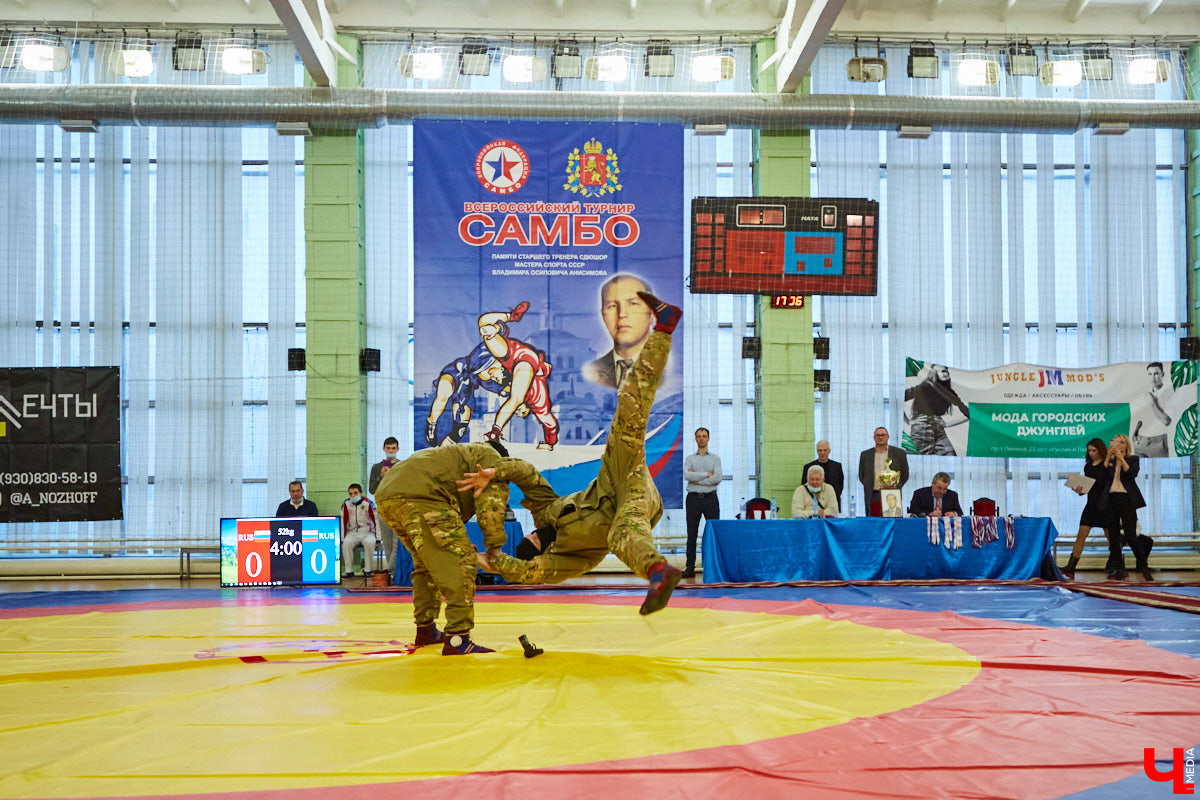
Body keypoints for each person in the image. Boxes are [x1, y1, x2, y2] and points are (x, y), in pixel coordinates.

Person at [476, 291, 685, 614]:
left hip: (616, 478)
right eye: (534, 542)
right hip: (630, 504)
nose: (535, 535)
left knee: (630, 410)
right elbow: (533, 573)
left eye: (532, 536)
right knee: (622, 533)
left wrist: (496, 471)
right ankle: (657, 571)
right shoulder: (570, 557)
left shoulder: (546, 512)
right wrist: (495, 563)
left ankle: (664, 328)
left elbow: (527, 475)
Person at [373, 441, 545, 654]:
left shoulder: (458, 454)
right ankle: (458, 638)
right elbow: (490, 508)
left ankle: (425, 629)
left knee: (427, 565)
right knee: (461, 562)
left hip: (387, 495)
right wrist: (494, 549)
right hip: (421, 495)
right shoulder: (492, 463)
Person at [477, 302, 559, 450]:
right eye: (521, 412)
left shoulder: (510, 392)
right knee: (516, 398)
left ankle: (504, 322)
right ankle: (513, 317)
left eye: (516, 412)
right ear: (527, 410)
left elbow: (490, 377)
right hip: (524, 359)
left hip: (513, 358)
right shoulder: (538, 402)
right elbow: (550, 423)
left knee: (484, 325)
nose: (517, 411)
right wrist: (550, 442)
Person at [583, 273, 655, 389]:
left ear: (651, 314)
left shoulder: (676, 369)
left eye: (633, 304)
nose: (621, 314)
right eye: (612, 306)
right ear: (603, 316)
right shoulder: (593, 371)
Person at [1102, 434, 1154, 582]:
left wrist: (1121, 459)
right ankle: (1119, 569)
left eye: (1118, 443)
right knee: (1114, 537)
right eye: (1113, 443)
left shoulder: (1132, 459)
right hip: (1111, 500)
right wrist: (1108, 458)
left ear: (1125, 446)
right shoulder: (1109, 461)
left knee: (1131, 535)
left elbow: (1131, 473)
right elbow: (1102, 476)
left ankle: (1143, 566)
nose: (1115, 446)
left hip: (1126, 499)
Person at [1061, 438, 1111, 579]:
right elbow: (1088, 487)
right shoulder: (1088, 466)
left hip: (1106, 504)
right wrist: (1079, 490)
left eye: (1094, 450)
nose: (1091, 453)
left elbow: (1104, 483)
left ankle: (1116, 565)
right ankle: (1071, 566)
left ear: (1101, 450)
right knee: (1081, 534)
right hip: (1091, 505)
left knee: (1110, 537)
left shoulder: (1107, 464)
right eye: (1089, 450)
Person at [905, 363, 969, 456]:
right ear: (934, 373)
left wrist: (947, 424)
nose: (944, 373)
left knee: (951, 455)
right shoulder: (925, 386)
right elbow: (901, 396)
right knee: (918, 457)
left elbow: (968, 413)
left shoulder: (949, 392)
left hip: (939, 430)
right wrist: (908, 421)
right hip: (922, 428)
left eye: (945, 371)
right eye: (941, 371)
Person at [683, 427, 721, 578]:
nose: (701, 438)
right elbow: (687, 475)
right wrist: (706, 475)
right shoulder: (690, 459)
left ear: (708, 438)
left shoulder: (715, 459)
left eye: (704, 436)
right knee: (691, 534)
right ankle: (689, 567)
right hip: (693, 499)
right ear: (695, 439)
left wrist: (697, 480)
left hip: (711, 499)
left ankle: (713, 567)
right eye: (698, 436)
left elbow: (718, 478)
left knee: (713, 533)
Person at [858, 427, 909, 517]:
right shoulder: (865, 455)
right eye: (878, 435)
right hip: (873, 495)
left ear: (888, 437)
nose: (880, 437)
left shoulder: (899, 453)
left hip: (892, 494)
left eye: (883, 435)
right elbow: (862, 476)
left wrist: (894, 486)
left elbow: (904, 474)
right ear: (874, 437)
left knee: (892, 523)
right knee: (874, 523)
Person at [368, 437, 401, 572]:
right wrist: (380, 477)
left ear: (397, 449)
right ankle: (392, 573)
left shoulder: (402, 466)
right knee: (387, 543)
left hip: (398, 508)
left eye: (393, 448)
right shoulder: (376, 467)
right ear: (384, 449)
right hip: (383, 509)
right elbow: (372, 489)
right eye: (388, 448)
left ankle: (393, 570)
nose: (391, 451)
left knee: (398, 542)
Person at [1132, 361, 1172, 457]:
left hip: (1158, 442)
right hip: (1140, 441)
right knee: (1137, 470)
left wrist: (1153, 403)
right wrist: (1134, 433)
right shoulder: (1144, 394)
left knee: (1163, 469)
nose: (1153, 378)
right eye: (1150, 374)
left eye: (1156, 374)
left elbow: (1166, 421)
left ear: (1162, 374)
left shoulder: (1169, 393)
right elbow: (1140, 416)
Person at [340, 484, 378, 577]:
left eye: (355, 493)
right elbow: (343, 522)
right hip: (353, 532)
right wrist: (342, 538)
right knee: (346, 543)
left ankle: (367, 570)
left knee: (370, 542)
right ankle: (349, 571)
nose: (353, 496)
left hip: (367, 532)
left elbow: (376, 520)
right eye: (351, 494)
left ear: (361, 493)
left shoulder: (368, 503)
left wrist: (378, 537)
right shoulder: (346, 504)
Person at [801, 440, 844, 509]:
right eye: (820, 450)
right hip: (813, 504)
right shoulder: (808, 467)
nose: (822, 453)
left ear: (829, 451)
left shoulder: (837, 466)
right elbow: (804, 487)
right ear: (817, 451)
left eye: (825, 450)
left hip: (832, 503)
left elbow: (840, 487)